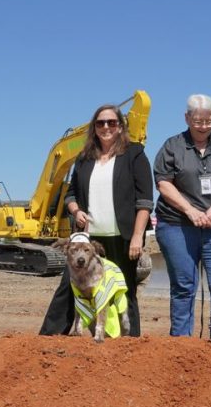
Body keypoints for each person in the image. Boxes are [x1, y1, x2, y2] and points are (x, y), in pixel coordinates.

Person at [38, 104, 153, 336]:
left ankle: (128, 341)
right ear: (94, 128)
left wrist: (138, 236)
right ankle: (50, 337)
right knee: (69, 287)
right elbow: (70, 194)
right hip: (89, 239)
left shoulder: (134, 154)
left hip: (122, 237)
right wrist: (75, 210)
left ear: (120, 126)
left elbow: (145, 201)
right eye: (101, 123)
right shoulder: (84, 158)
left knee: (124, 288)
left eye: (111, 122)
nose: (106, 127)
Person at [153, 94, 211, 339]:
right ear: (187, 118)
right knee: (184, 286)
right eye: (198, 120)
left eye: (209, 120)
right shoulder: (172, 146)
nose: (204, 125)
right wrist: (190, 210)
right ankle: (182, 343)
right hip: (177, 224)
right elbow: (163, 183)